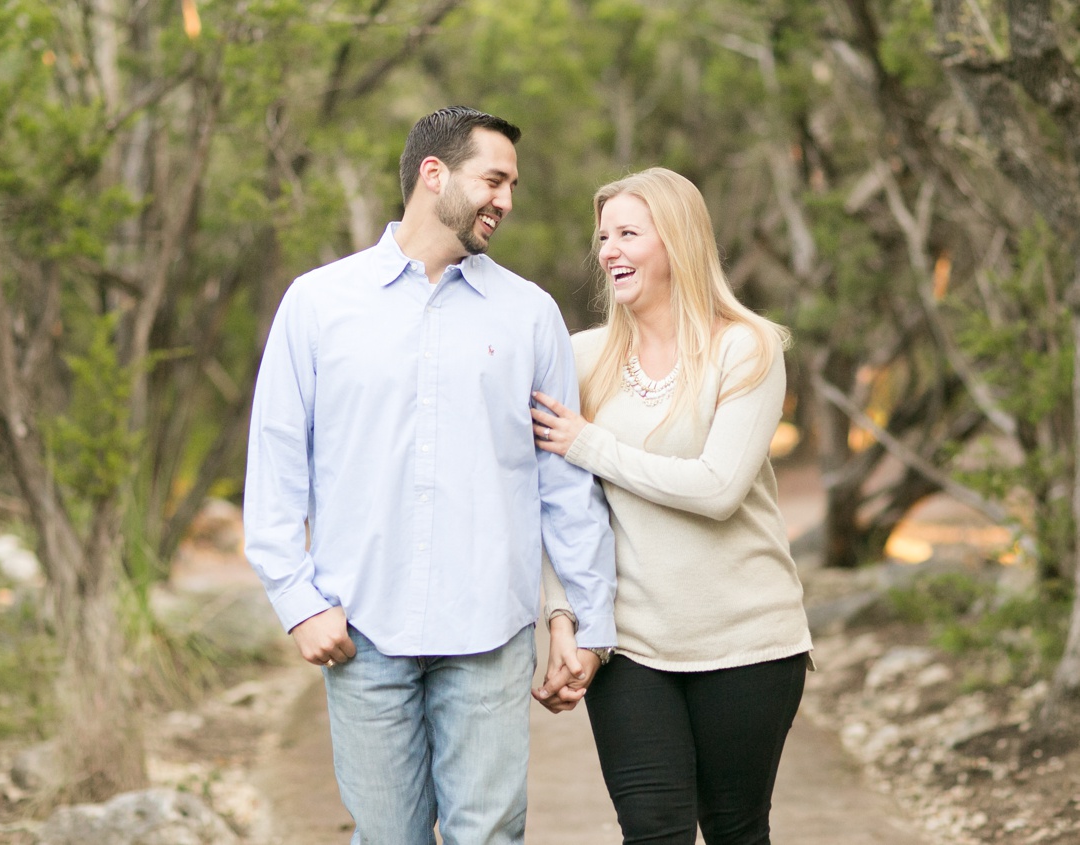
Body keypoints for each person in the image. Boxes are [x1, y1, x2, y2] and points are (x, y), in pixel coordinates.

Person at [243, 106, 617, 845]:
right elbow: (276, 464)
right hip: (360, 627)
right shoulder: (318, 305)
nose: (506, 199)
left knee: (489, 835)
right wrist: (296, 598)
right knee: (388, 838)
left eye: (512, 184)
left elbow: (563, 484)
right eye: (494, 179)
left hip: (490, 630)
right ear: (433, 174)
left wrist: (584, 620)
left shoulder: (530, 315)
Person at [530, 167, 813, 845]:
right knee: (652, 831)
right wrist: (562, 614)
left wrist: (591, 444)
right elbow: (554, 502)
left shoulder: (746, 347)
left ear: (677, 241)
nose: (608, 251)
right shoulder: (582, 356)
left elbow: (718, 487)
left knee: (735, 828)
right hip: (632, 644)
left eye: (628, 232)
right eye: (603, 237)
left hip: (747, 640)